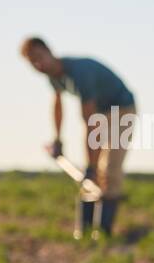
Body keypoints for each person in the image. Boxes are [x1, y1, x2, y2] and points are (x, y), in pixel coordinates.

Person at [21, 37, 136, 239]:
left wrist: (90, 167)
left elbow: (91, 124)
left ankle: (103, 234)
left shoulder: (80, 73)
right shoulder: (53, 77)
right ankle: (85, 231)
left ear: (49, 51)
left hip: (122, 109)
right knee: (93, 175)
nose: (39, 65)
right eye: (33, 63)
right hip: (102, 111)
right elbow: (57, 106)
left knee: (108, 168)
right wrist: (57, 139)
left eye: (39, 57)